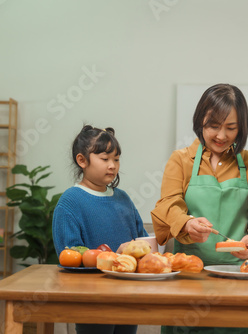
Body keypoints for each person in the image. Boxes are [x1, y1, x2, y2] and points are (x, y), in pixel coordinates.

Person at [151, 83, 248, 334]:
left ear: (241, 128)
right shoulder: (180, 160)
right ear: (200, 122)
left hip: (240, 278)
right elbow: (168, 204)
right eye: (213, 126)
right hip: (188, 277)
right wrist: (187, 223)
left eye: (231, 128)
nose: (221, 136)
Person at [53, 125, 147, 334]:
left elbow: (142, 240)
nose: (112, 166)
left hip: (127, 294)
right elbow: (70, 255)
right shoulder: (70, 202)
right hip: (91, 297)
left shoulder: (123, 198)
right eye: (105, 159)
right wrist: (116, 257)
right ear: (82, 160)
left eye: (116, 159)